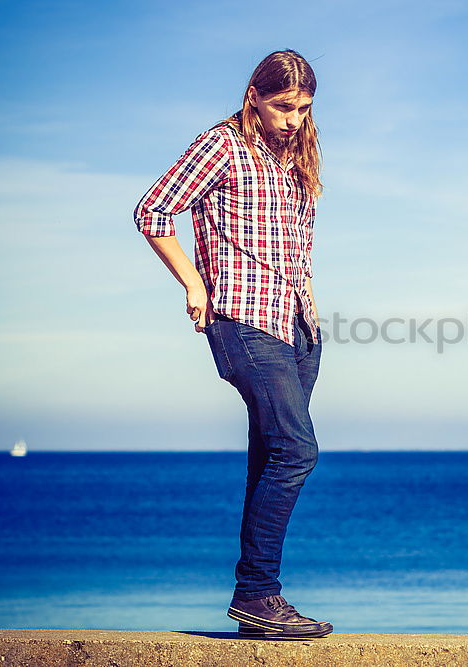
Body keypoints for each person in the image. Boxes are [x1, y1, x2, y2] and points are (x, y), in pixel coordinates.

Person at [133, 50, 332, 639]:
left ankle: (257, 607)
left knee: (272, 455)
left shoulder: (294, 154)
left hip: (297, 327)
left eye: (303, 109)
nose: (293, 119)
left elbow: (296, 241)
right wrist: (195, 285)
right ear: (254, 95)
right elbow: (153, 210)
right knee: (297, 451)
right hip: (243, 320)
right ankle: (257, 592)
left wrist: (311, 301)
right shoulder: (222, 145)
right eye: (282, 106)